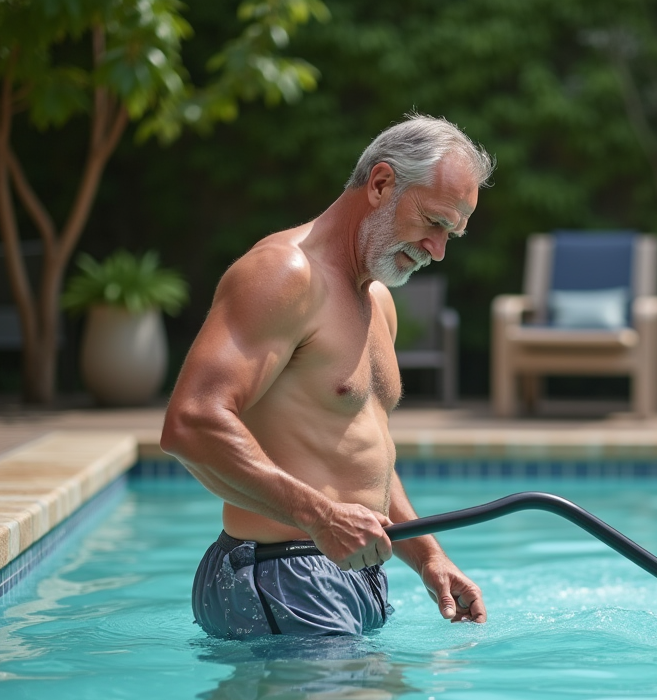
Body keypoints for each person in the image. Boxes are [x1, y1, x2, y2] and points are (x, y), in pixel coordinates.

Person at [161, 114, 494, 638]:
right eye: (434, 222)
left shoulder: (377, 301)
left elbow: (362, 454)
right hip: (280, 572)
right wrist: (319, 516)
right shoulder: (285, 275)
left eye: (451, 233)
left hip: (347, 573)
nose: (439, 249)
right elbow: (191, 423)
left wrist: (429, 556)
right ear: (381, 184)